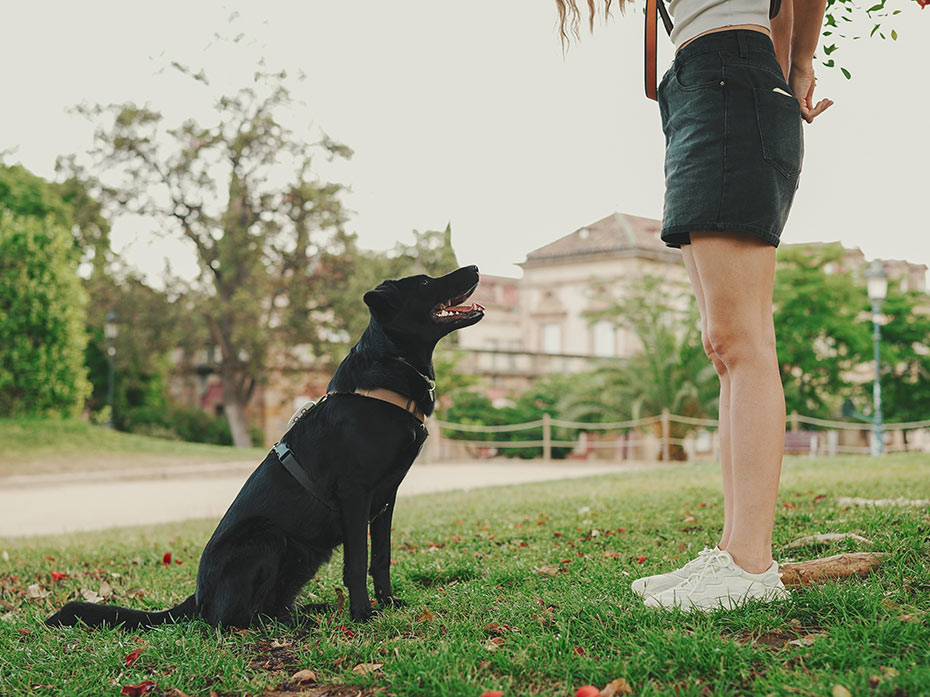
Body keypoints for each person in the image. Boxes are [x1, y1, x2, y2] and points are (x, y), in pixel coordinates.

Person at [556, 0, 832, 612]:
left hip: (735, 78)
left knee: (744, 341)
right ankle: (734, 549)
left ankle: (751, 566)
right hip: (696, 85)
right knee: (722, 343)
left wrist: (802, 63)